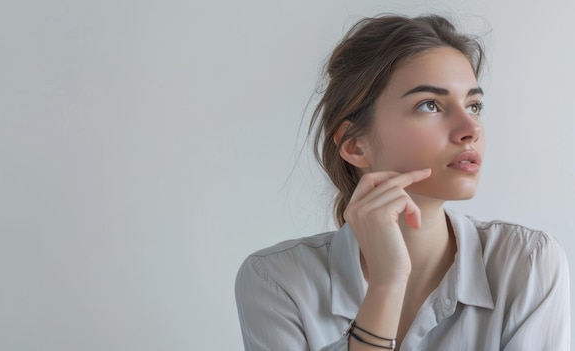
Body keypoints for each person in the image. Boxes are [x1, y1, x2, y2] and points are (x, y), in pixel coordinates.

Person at [234, 14, 570, 351]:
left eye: (474, 105)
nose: (471, 128)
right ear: (355, 145)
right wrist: (387, 283)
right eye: (430, 105)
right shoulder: (276, 280)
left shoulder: (527, 263)